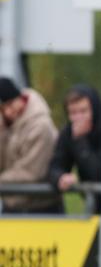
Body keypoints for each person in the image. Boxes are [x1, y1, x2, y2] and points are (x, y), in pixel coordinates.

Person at [0, 78, 61, 213]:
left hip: (41, 208)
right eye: (3, 109)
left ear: (20, 98)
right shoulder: (7, 124)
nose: (8, 112)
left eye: (10, 104)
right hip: (12, 205)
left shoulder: (41, 126)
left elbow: (32, 172)